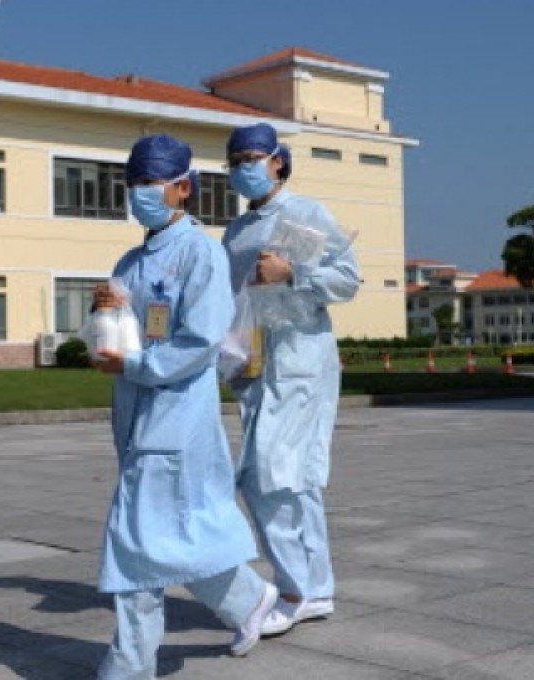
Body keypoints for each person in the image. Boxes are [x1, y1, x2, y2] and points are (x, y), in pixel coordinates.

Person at [93, 134, 277, 680]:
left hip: (177, 414)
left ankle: (128, 665)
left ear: (182, 189)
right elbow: (119, 330)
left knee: (135, 539)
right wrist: (102, 311)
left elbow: (199, 342)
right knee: (178, 529)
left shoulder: (200, 253)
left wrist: (133, 366)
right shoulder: (131, 258)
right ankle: (248, 601)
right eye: (134, 184)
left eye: (151, 183)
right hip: (136, 411)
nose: (140, 194)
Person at [221, 123, 361, 636]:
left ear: (279, 160)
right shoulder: (234, 233)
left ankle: (294, 588)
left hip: (301, 361)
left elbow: (348, 278)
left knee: (265, 476)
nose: (243, 168)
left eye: (252, 156)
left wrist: (294, 274)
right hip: (256, 363)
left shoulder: (307, 214)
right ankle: (317, 589)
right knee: (295, 480)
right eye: (234, 160)